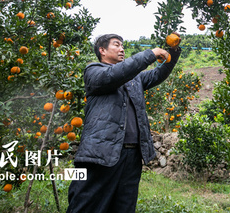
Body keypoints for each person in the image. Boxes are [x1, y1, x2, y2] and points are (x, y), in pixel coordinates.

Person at [66, 33, 181, 213]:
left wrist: (172, 52)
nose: (122, 49)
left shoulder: (135, 79)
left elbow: (158, 74)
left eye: (123, 46)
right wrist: (150, 54)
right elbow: (115, 75)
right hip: (100, 153)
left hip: (132, 156)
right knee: (87, 205)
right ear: (102, 50)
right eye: (117, 45)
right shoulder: (93, 72)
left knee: (124, 207)